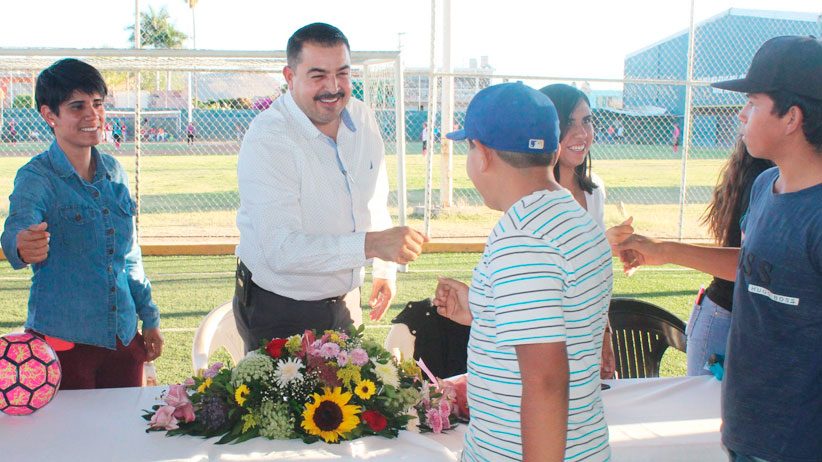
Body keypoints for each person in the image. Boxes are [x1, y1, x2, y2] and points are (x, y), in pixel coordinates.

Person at [617, 36, 821, 462]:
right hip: (748, 427)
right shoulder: (765, 186)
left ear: (792, 118)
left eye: (753, 102)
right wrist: (666, 250)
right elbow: (756, 265)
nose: (741, 114)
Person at [436, 82, 612, 461]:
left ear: (482, 154)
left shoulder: (521, 238)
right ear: (553, 151)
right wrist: (483, 307)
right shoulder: (575, 219)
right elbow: (564, 320)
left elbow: (545, 381)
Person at [234, 23, 427, 352]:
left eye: (342, 73)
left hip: (345, 301)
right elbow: (282, 249)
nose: (333, 87)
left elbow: (373, 201)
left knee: (353, 386)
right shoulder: (269, 138)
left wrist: (384, 269)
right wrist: (371, 245)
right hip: (280, 307)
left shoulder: (362, 118)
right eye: (318, 75)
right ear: (290, 76)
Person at [0, 58, 163, 390]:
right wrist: (22, 244)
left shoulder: (114, 172)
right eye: (77, 106)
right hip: (64, 344)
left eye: (97, 103)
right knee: (69, 426)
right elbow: (17, 228)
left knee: (124, 422)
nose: (93, 114)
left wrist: (149, 318)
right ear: (50, 115)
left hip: (123, 339)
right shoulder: (36, 177)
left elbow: (129, 256)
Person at [540, 83, 633, 379]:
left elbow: (598, 276)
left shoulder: (594, 191)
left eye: (587, 121)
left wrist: (605, 332)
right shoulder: (532, 197)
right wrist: (599, 244)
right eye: (569, 123)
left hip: (587, 336)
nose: (582, 133)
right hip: (545, 341)